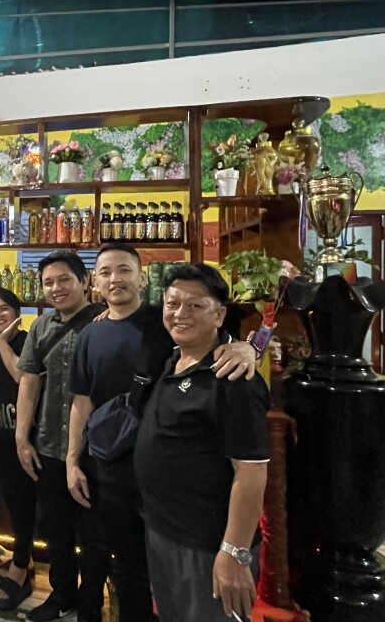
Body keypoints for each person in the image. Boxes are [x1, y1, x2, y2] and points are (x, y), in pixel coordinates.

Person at [66, 244, 258, 622]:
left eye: (124, 270)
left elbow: (227, 347)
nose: (115, 279)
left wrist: (249, 350)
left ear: (141, 277)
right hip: (113, 472)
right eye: (105, 272)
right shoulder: (91, 334)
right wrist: (73, 458)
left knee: (185, 583)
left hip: (180, 493)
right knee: (129, 567)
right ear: (95, 282)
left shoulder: (170, 319)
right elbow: (81, 402)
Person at [134, 264, 269, 621]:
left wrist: (234, 552)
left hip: (208, 545)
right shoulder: (174, 357)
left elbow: (251, 473)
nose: (180, 314)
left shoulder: (234, 378)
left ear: (220, 313)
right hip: (164, 531)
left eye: (195, 306)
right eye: (172, 303)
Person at [13, 250, 107, 621]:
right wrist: (22, 438)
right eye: (48, 282)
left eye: (64, 279)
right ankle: (63, 594)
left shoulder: (105, 322)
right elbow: (28, 385)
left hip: (97, 448)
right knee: (56, 530)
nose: (56, 288)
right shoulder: (41, 326)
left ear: (85, 281)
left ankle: (91, 605)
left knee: (95, 535)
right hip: (50, 444)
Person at [0, 286, 35, 611]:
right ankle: (22, 558)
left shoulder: (28, 340)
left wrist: (2, 342)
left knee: (30, 504)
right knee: (15, 502)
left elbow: (20, 376)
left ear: (17, 312)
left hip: (26, 438)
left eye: (5, 308)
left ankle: (22, 566)